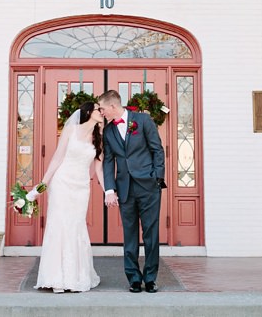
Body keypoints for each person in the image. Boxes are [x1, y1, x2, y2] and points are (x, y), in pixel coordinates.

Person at [33, 101, 106, 293]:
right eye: (99, 109)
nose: (102, 112)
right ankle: (55, 278)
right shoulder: (71, 130)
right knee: (59, 225)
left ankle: (75, 277)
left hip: (81, 187)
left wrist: (108, 191)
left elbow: (99, 169)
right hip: (62, 182)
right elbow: (57, 157)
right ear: (89, 111)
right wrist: (42, 184)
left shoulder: (99, 138)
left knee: (75, 226)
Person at [98, 89, 166, 293]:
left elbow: (157, 150)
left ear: (112, 106)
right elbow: (108, 161)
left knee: (151, 235)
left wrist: (157, 178)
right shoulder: (108, 131)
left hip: (149, 187)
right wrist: (109, 189)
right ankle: (134, 278)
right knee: (129, 235)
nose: (101, 112)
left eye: (102, 108)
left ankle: (151, 278)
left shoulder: (143, 120)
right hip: (125, 189)